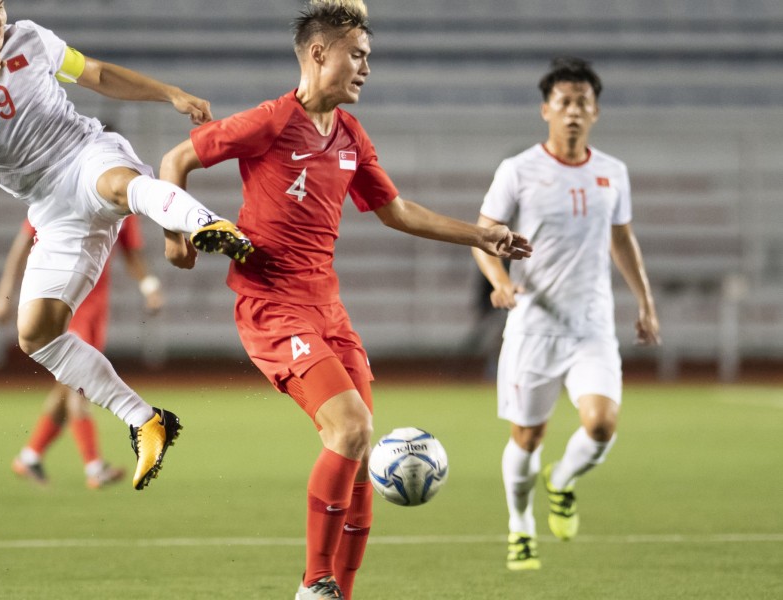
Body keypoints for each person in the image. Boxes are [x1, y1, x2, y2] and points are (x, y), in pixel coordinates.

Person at [160, 2, 532, 597]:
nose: (365, 68)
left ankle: (342, 593)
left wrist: (480, 233)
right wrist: (174, 237)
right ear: (317, 53)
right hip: (271, 304)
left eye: (368, 58)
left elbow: (397, 211)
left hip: (328, 308)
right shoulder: (271, 121)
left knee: (357, 455)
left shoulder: (352, 135)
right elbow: (176, 159)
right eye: (356, 55)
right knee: (353, 428)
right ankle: (313, 585)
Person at [0, 0, 253, 490]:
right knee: (36, 333)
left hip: (83, 152)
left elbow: (98, 74)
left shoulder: (29, 38)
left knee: (114, 185)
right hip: (48, 205)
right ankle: (147, 420)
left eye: (0, 6)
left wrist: (170, 93)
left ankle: (208, 225)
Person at [470, 57, 661, 571]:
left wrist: (643, 300)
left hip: (591, 327)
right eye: (564, 102)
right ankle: (520, 525)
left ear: (595, 112)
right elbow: (483, 237)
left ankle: (563, 480)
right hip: (534, 326)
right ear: (546, 111)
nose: (573, 111)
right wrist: (502, 282)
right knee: (527, 437)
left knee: (601, 426)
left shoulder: (612, 172)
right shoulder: (519, 170)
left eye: (583, 102)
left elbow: (622, 238)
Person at [0, 215, 163, 489]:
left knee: (67, 384)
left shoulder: (119, 196)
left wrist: (149, 286)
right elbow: (23, 242)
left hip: (95, 306)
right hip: (63, 299)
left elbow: (131, 250)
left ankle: (30, 455)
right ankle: (94, 466)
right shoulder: (61, 186)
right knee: (75, 385)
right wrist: (5, 294)